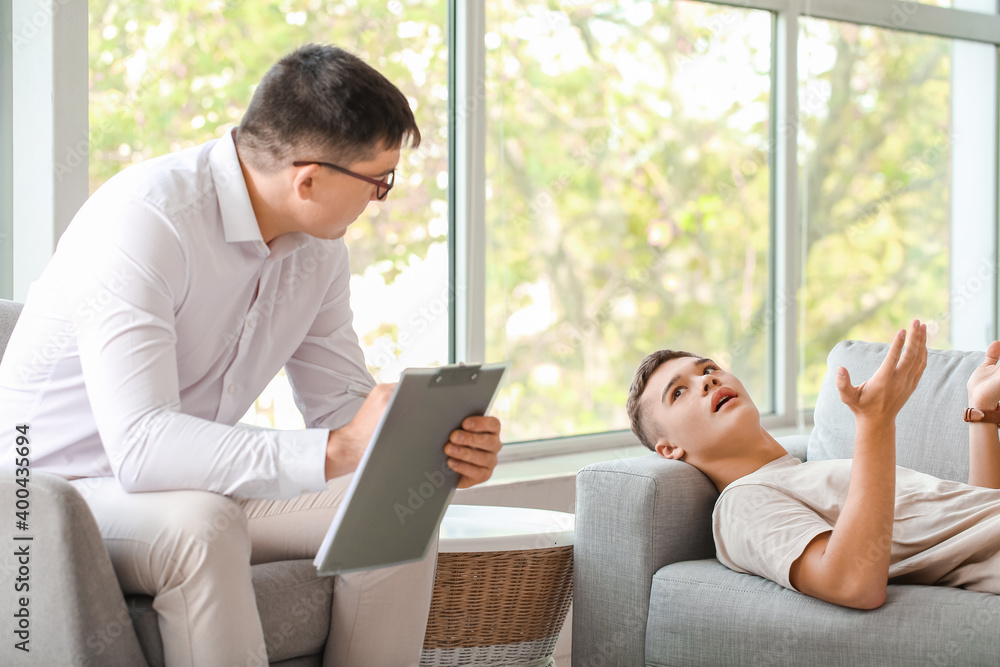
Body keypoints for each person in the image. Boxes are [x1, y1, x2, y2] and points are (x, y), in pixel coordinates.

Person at [0, 44, 502, 666]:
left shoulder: (318, 249)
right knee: (204, 528)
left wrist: (427, 451)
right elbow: (143, 447)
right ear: (308, 177)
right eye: (380, 181)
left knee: (394, 512)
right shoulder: (146, 221)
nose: (382, 198)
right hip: (46, 492)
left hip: (186, 480)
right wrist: (340, 448)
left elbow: (338, 407)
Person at [626, 319, 1000, 610]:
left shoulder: (815, 472)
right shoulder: (741, 504)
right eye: (679, 392)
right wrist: (875, 422)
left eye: (707, 369)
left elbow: (971, 520)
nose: (707, 381)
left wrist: (981, 412)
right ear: (670, 448)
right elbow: (852, 584)